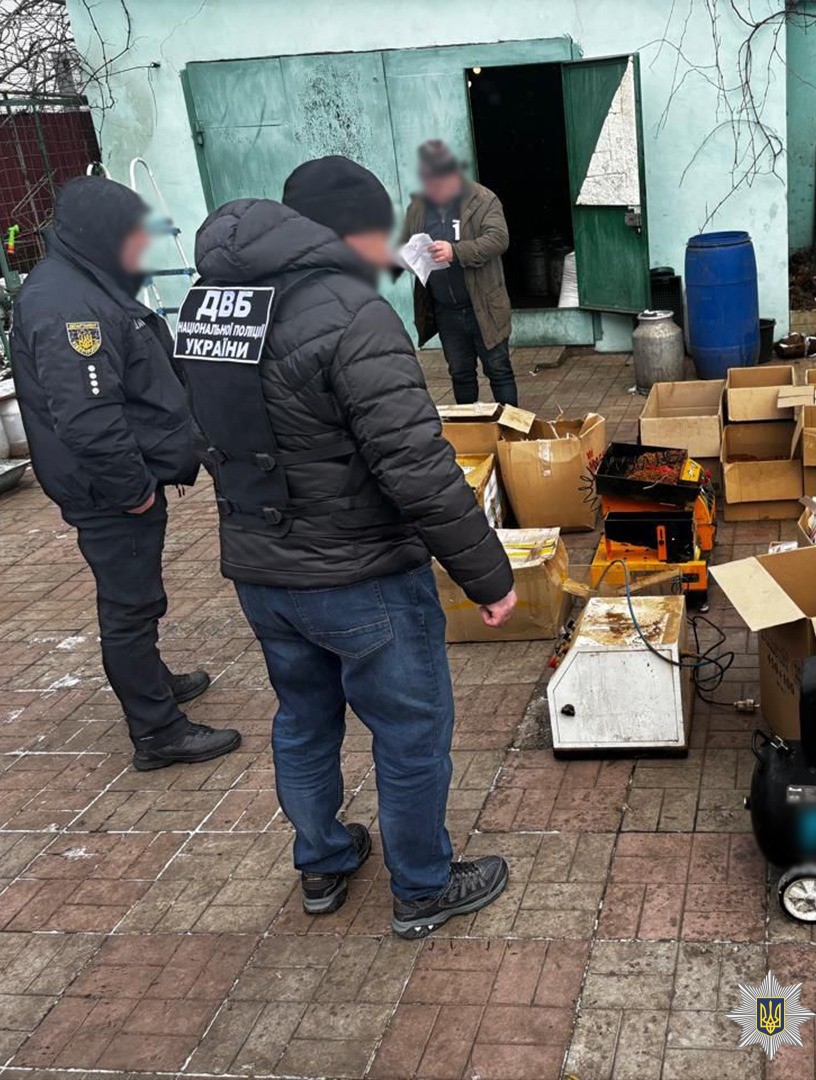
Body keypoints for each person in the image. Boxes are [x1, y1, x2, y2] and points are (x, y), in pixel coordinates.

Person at [188, 155, 517, 937]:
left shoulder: (211, 306)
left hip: (263, 574)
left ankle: (324, 863)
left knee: (302, 720)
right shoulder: (352, 314)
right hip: (361, 576)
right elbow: (416, 467)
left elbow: (205, 434)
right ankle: (423, 887)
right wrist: (489, 575)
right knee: (409, 733)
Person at [9, 176, 241, 771]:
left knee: (138, 597)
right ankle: (158, 731)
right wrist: (133, 490)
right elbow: (87, 419)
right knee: (130, 606)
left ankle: (154, 681)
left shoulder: (86, 279)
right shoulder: (67, 306)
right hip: (109, 491)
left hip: (119, 480)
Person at [401, 140, 518, 406]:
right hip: (446, 312)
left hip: (483, 307)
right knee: (461, 375)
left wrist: (456, 252)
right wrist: (408, 259)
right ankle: (472, 435)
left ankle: (513, 438)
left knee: (499, 372)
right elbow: (406, 242)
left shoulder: (482, 200)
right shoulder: (418, 207)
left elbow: (499, 239)